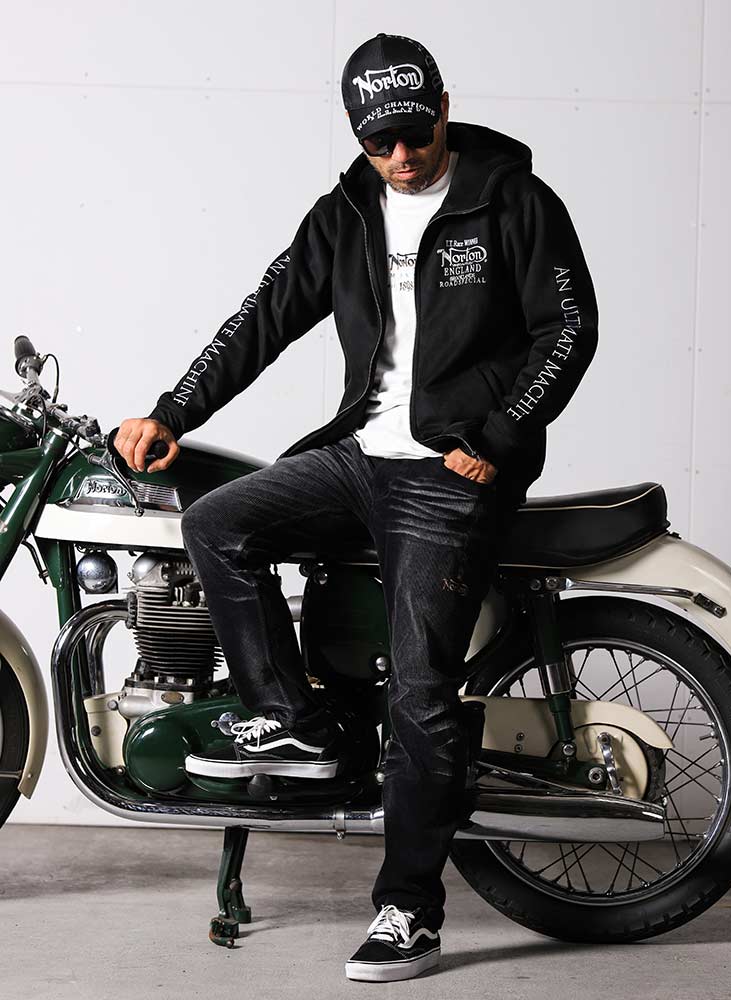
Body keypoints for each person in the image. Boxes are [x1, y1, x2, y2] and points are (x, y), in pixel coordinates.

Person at [116, 32, 599, 983]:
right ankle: (291, 714)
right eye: (380, 141)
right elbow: (264, 317)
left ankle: (409, 910)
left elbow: (570, 328)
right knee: (216, 521)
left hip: (450, 474)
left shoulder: (512, 199)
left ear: (444, 110)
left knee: (420, 689)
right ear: (357, 134)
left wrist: (499, 438)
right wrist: (174, 411)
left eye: (416, 133)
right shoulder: (345, 212)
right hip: (358, 455)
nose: (402, 155)